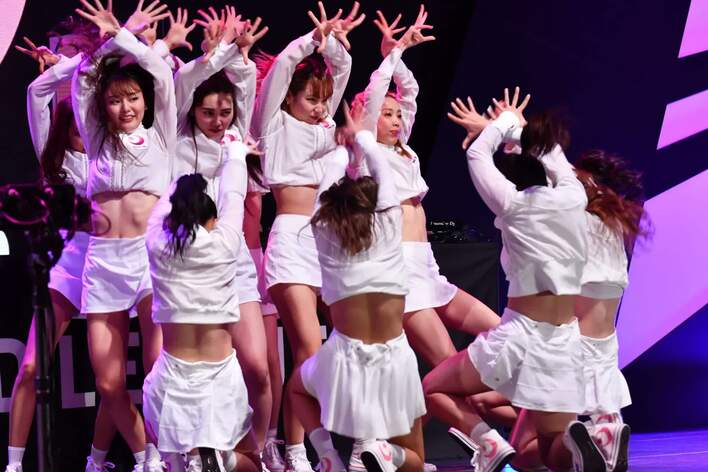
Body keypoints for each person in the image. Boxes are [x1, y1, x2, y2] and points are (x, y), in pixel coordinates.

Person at [423, 89, 605, 471]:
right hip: (563, 341)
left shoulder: (513, 205)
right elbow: (553, 155)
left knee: (432, 388)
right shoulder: (574, 196)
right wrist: (517, 128)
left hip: (520, 338)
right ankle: (596, 441)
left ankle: (489, 444)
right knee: (541, 449)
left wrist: (500, 124)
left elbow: (477, 155)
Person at [352, 7, 500, 374]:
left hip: (427, 265)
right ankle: (468, 412)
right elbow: (376, 93)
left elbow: (411, 91)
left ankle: (487, 403)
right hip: (399, 268)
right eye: (387, 114)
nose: (395, 120)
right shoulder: (365, 154)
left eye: (397, 115)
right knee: (448, 363)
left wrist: (397, 56)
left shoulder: (403, 150)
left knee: (501, 331)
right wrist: (393, 53)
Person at [250, 3, 361, 470]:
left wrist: (333, 44)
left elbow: (343, 68)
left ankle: (356, 446)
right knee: (309, 351)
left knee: (351, 346)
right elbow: (280, 73)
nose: (320, 107)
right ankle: (299, 449)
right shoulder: (273, 125)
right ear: (290, 98)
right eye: (311, 98)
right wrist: (312, 41)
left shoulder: (327, 127)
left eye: (324, 100)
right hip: (291, 240)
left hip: (330, 243)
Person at [288, 103, 426, 472]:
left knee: (298, 389)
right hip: (394, 358)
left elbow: (324, 192)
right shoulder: (390, 222)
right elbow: (383, 171)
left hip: (344, 359)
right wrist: (361, 138)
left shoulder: (324, 231)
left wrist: (340, 151)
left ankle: (329, 458)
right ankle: (388, 455)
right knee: (415, 460)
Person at [6, 32, 118, 472]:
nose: (84, 136)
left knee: (112, 383)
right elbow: (37, 93)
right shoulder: (51, 158)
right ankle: (14, 465)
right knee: (31, 367)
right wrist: (75, 62)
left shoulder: (113, 153)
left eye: (89, 128)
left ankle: (98, 461)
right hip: (68, 270)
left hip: (111, 270)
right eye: (76, 130)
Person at [170, 7, 277, 459]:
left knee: (258, 367)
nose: (217, 120)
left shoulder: (237, 143)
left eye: (225, 112)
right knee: (190, 375)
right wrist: (218, 53)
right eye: (208, 112)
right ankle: (190, 454)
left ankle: (256, 453)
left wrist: (240, 54)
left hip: (235, 265)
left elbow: (247, 89)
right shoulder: (177, 141)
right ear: (193, 111)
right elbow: (183, 84)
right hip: (190, 268)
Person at [72, 0, 174, 469]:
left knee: (156, 372)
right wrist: (108, 41)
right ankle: (143, 455)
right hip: (103, 263)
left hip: (150, 259)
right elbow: (84, 80)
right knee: (109, 382)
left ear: (144, 100)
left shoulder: (161, 134)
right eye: (115, 100)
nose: (125, 107)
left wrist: (126, 35)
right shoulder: (97, 139)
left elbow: (161, 72)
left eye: (132, 97)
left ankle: (159, 459)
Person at [143, 139, 261, 472]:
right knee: (252, 462)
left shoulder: (157, 245)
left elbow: (160, 210)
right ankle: (221, 459)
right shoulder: (225, 245)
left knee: (176, 458)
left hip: (171, 382)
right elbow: (233, 195)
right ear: (212, 220)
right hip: (221, 382)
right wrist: (235, 154)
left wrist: (181, 184)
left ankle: (199, 459)